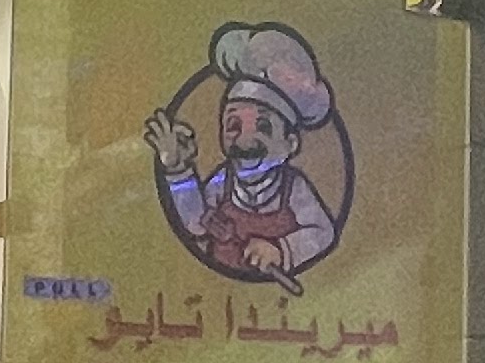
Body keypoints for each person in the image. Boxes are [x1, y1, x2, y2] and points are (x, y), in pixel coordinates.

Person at [146, 23, 342, 279]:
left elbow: (323, 233)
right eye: (233, 126)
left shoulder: (294, 188)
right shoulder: (222, 182)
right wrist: (178, 170)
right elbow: (197, 223)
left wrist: (282, 250)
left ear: (290, 144)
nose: (245, 141)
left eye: (263, 126)